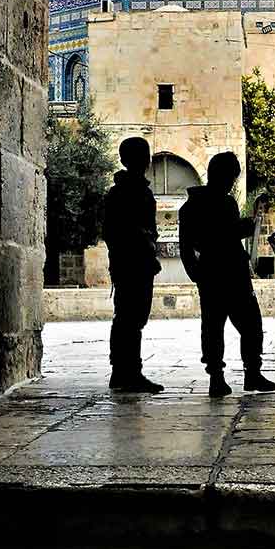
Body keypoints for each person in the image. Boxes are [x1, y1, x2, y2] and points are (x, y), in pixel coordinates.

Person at [178, 151, 275, 398]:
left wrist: (196, 273)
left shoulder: (198, 206)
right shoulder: (215, 204)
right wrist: (240, 229)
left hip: (219, 273)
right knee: (240, 325)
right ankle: (236, 375)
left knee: (225, 326)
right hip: (224, 272)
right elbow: (212, 238)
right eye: (231, 177)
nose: (232, 182)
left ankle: (232, 375)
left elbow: (188, 246)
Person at [102, 136, 164, 393]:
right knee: (131, 318)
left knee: (128, 318)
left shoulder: (122, 192)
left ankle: (122, 372)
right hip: (134, 263)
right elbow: (123, 230)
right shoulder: (130, 193)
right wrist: (144, 244)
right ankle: (128, 372)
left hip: (130, 262)